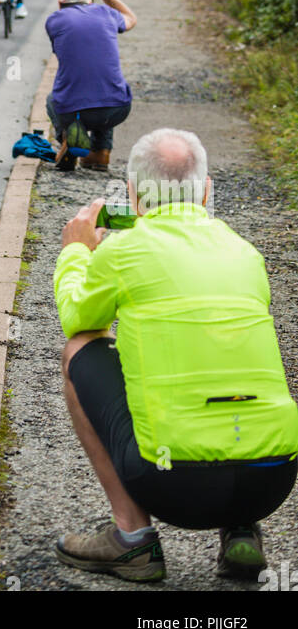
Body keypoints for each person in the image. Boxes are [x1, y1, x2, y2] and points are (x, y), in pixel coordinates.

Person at [53, 128, 298, 583]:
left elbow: (78, 320)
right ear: (205, 191)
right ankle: (242, 531)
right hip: (274, 479)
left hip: (174, 484)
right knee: (226, 353)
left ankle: (132, 541)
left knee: (78, 350)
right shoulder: (244, 253)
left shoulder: (124, 250)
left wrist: (76, 253)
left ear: (132, 193)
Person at [45, 0, 134, 172]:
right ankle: (101, 153)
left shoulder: (54, 21)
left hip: (74, 111)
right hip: (117, 108)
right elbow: (131, 18)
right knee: (104, 87)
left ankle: (71, 138)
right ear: (91, 2)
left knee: (52, 99)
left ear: (60, 4)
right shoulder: (107, 14)